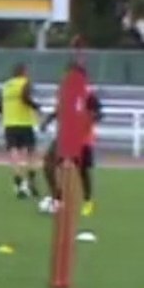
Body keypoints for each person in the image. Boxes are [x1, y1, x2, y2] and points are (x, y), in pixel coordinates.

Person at [38, 66, 102, 218]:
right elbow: (59, 110)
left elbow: (98, 113)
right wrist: (47, 120)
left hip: (82, 138)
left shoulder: (89, 95)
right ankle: (58, 197)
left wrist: (88, 120)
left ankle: (87, 200)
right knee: (48, 164)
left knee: (82, 171)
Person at [0, 63, 42, 199]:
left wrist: (8, 111)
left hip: (9, 123)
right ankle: (31, 181)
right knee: (32, 152)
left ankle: (19, 181)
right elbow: (25, 98)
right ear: (24, 72)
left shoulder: (5, 86)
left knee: (14, 152)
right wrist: (36, 107)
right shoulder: (25, 83)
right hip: (24, 122)